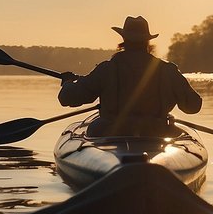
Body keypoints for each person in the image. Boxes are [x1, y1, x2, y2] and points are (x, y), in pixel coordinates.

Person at [58, 16, 202, 137]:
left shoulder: (106, 69)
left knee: (95, 127)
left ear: (124, 40)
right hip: (156, 132)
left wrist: (68, 82)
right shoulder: (168, 70)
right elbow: (193, 106)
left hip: (112, 133)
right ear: (147, 42)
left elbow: (67, 98)